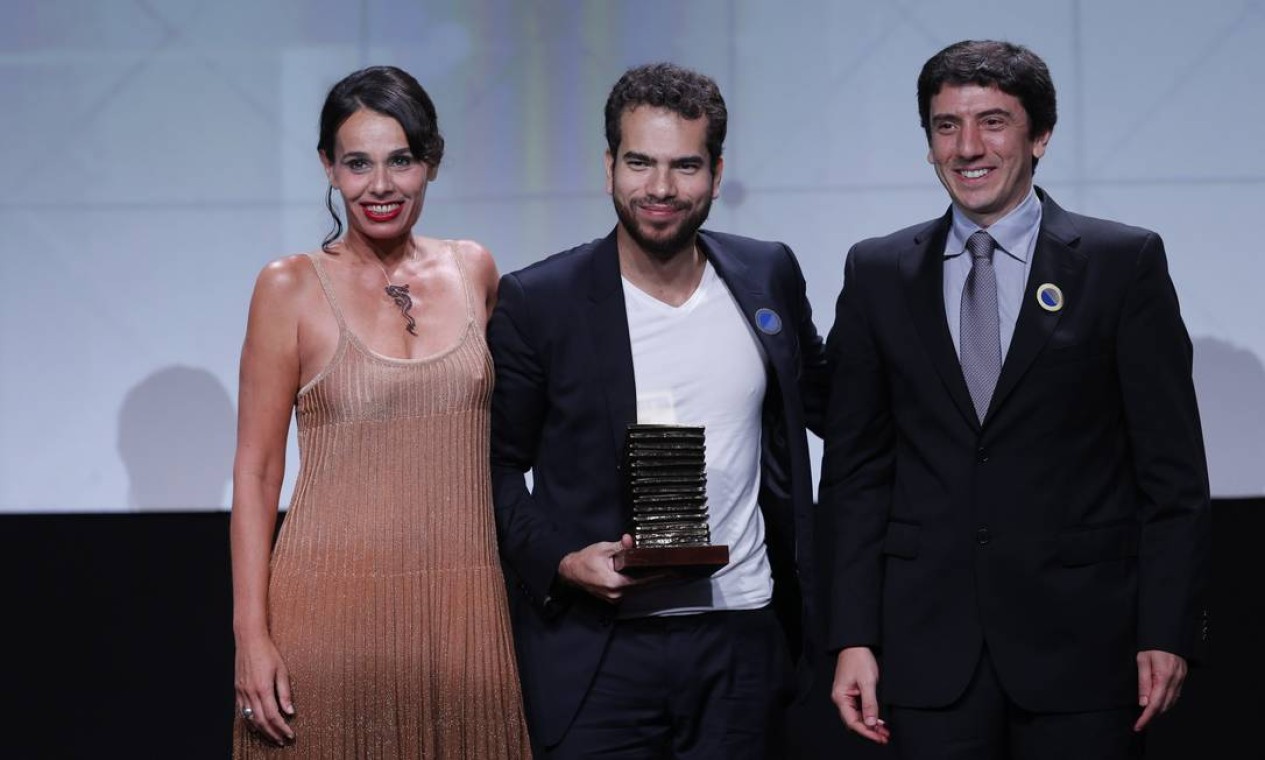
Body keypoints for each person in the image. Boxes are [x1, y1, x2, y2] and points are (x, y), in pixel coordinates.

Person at [821, 40, 1211, 759]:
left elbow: (1172, 476)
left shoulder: (1121, 263)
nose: (967, 147)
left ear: (1039, 136)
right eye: (945, 126)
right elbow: (853, 474)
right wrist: (851, 634)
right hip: (924, 651)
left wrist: (1165, 628)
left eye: (993, 122)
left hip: (1084, 649)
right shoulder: (876, 271)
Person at [488, 62, 829, 758]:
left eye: (685, 166)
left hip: (742, 636)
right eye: (639, 162)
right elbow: (491, 466)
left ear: (716, 170)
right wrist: (559, 560)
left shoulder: (766, 272)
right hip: (599, 648)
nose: (661, 189)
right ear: (608, 164)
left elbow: (831, 404)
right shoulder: (539, 300)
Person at [229, 65, 530, 757]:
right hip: (326, 613)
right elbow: (256, 472)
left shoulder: (474, 268)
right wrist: (252, 634)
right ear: (327, 169)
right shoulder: (289, 287)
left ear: (431, 162)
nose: (381, 185)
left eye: (401, 161)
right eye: (357, 163)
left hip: (464, 612)